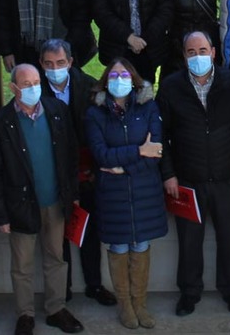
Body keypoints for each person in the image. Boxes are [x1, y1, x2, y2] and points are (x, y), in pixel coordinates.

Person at [0, 64, 83, 335]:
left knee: (56, 258)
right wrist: (0, 214)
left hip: (55, 203)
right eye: (25, 84)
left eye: (36, 81)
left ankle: (56, 309)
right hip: (20, 206)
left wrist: (72, 195)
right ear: (13, 88)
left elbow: (71, 155)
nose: (32, 88)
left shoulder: (57, 112)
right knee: (22, 265)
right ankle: (25, 314)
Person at [157, 31, 230, 317]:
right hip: (187, 179)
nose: (198, 56)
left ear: (214, 52)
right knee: (189, 242)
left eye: (203, 50)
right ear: (184, 56)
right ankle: (189, 293)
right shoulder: (171, 87)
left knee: (229, 239)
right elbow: (162, 134)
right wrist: (168, 174)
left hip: (227, 177)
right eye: (191, 51)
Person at [83, 58, 168, 329]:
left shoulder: (148, 107)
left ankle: (140, 303)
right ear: (106, 80)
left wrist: (125, 167)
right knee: (118, 247)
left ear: (133, 79)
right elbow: (101, 155)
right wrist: (137, 151)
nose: (119, 79)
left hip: (144, 191)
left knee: (141, 245)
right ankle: (125, 306)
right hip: (112, 195)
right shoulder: (95, 114)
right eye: (114, 74)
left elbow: (155, 152)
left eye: (124, 74)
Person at [38, 39, 117, 307]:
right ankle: (64, 288)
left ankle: (95, 285)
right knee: (58, 235)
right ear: (41, 65)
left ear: (70, 62)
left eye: (60, 63)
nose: (55, 69)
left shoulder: (90, 86)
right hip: (54, 175)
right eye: (48, 64)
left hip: (88, 173)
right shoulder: (35, 89)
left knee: (90, 231)